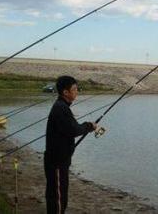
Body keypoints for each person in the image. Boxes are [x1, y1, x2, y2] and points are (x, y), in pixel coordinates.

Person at [44, 75, 97, 214]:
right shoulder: (61, 108)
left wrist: (86, 126)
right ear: (65, 92)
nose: (77, 91)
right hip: (57, 161)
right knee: (58, 198)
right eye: (74, 89)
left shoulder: (62, 107)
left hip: (59, 160)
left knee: (57, 195)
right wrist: (89, 125)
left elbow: (71, 128)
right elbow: (73, 130)